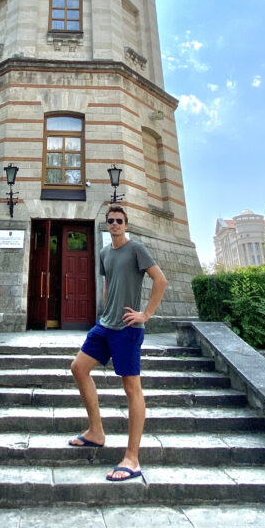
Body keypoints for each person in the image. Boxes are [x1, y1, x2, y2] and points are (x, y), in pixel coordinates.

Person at [69, 203, 168, 481]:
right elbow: (108, 284)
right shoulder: (103, 253)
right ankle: (96, 432)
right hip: (105, 326)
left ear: (126, 224)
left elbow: (160, 280)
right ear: (107, 224)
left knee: (131, 388)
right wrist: (104, 312)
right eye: (110, 220)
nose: (114, 224)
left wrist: (145, 314)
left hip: (127, 328)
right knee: (78, 367)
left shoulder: (136, 249)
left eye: (119, 221)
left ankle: (132, 459)